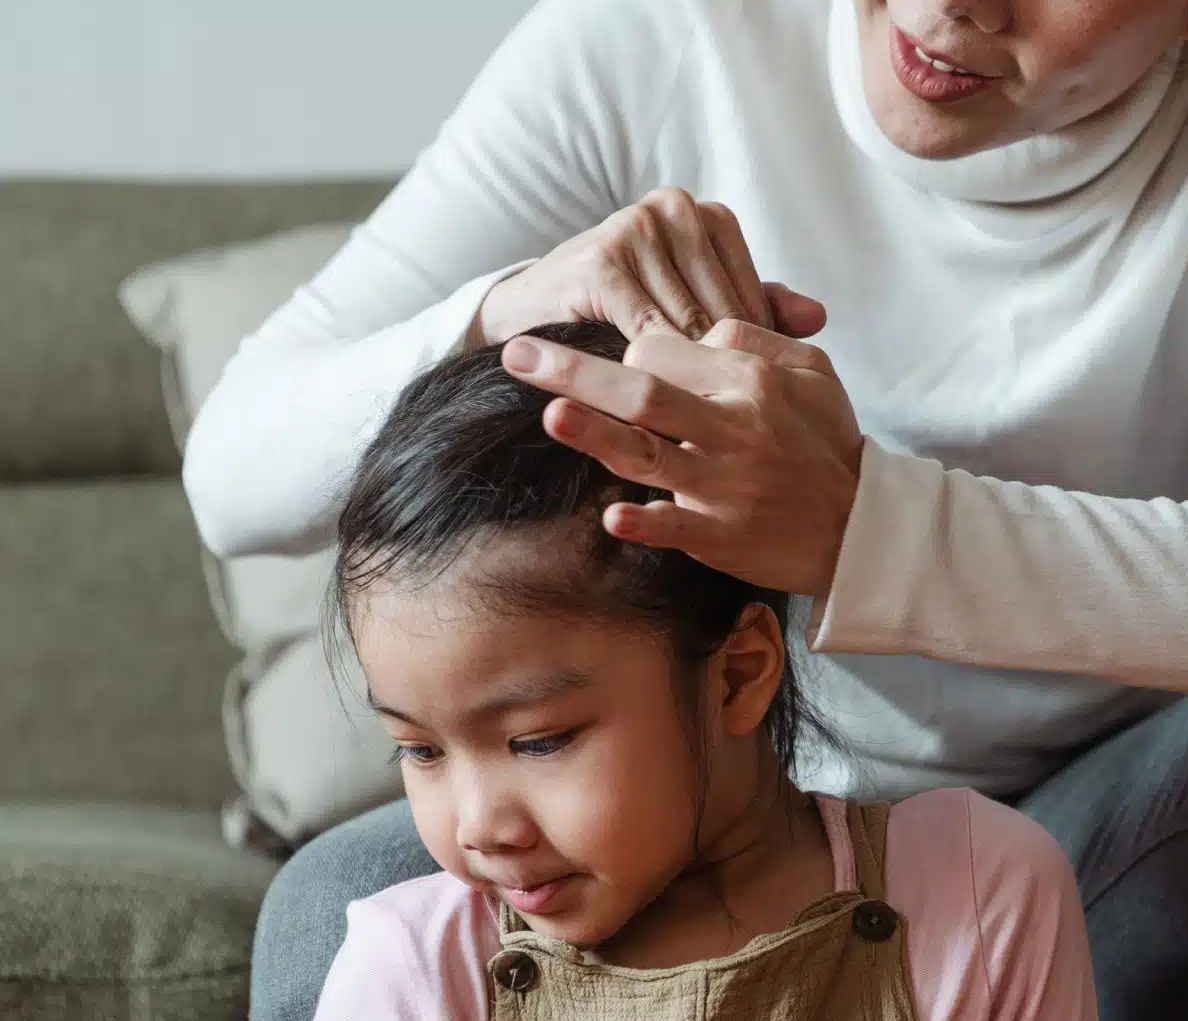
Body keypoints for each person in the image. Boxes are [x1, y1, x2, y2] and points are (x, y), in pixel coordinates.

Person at [183, 0, 1188, 1018]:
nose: (956, 4)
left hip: (1103, 840)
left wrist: (867, 530)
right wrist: (505, 303)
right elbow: (236, 470)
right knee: (334, 905)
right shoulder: (671, 31)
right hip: (713, 800)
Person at [308, 322, 1096, 1020]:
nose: (478, 827)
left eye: (538, 741)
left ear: (737, 675)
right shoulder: (412, 974)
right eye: (420, 750)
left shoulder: (975, 897)